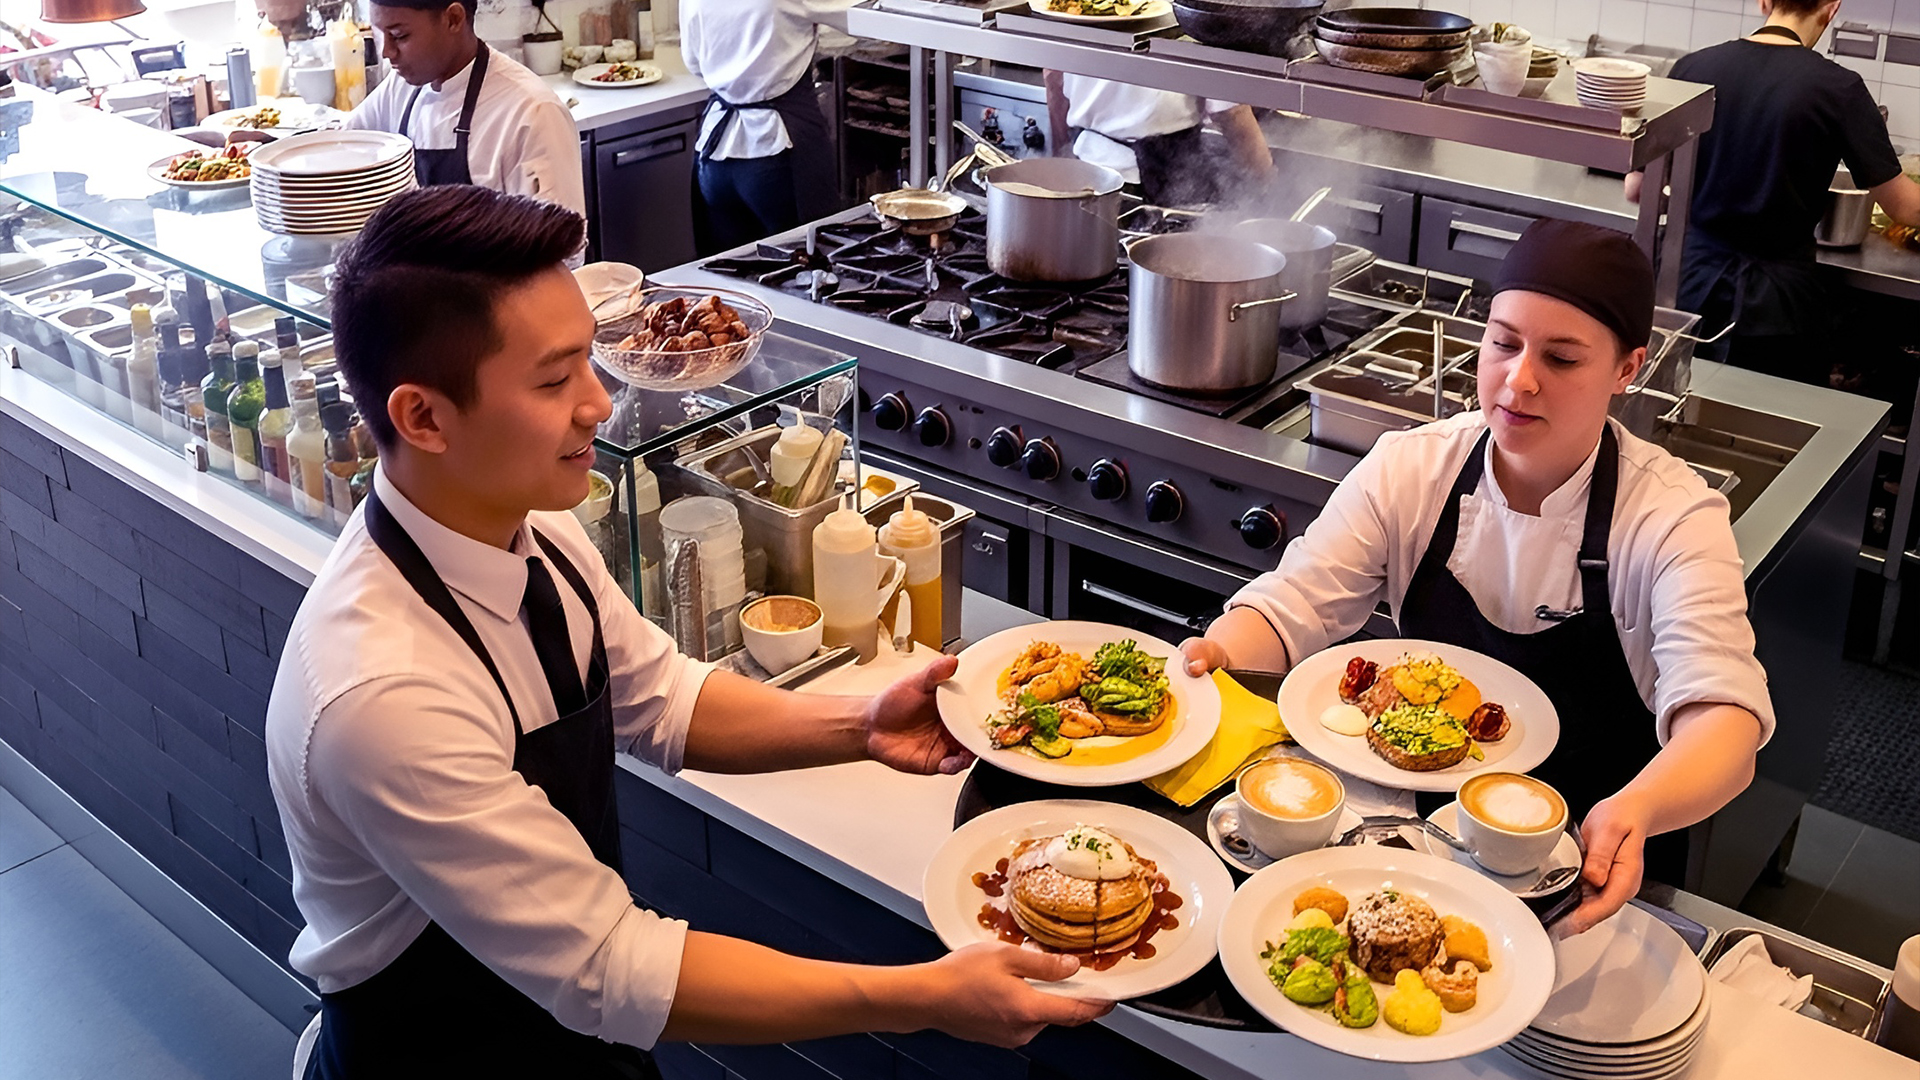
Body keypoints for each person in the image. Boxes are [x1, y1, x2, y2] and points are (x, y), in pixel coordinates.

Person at [266, 186, 1109, 1078]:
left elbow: (659, 697)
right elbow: (608, 965)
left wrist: (861, 725)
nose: (598, 401)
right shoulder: (383, 695)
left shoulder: (530, 525)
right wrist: (920, 997)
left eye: (589, 361)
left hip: (568, 1035)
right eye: (554, 380)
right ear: (422, 417)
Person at [1180, 219, 1774, 935]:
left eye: (1561, 359)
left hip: (1586, 861)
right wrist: (1216, 653)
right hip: (1413, 843)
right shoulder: (1413, 467)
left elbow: (1726, 721)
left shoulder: (1671, 518)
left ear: (1628, 370)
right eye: (1503, 342)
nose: (1518, 381)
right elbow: (1293, 605)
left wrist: (1637, 808)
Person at [1626, 0, 1920, 383]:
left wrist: (1707, 187)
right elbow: (1905, 208)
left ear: (1764, 1)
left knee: (1667, 403)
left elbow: (1638, 189)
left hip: (1683, 284)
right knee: (1760, 427)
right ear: (1831, 9)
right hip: (1775, 308)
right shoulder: (1839, 87)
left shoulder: (1693, 68)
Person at [347, 0, 586, 214]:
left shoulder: (532, 112)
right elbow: (344, 146)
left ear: (454, 19)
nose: (386, 52)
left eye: (399, 36)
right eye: (378, 35)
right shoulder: (399, 88)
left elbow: (562, 252)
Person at [680, 0, 846, 252]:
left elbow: (693, 62)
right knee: (806, 271)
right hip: (774, 155)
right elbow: (862, 13)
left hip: (714, 160)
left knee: (729, 279)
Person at [1044, 73, 1274, 206]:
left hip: (1084, 173)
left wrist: (1061, 160)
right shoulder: (1195, 16)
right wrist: (1265, 180)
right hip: (1157, 185)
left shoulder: (1072, 11)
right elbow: (1230, 113)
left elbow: (1053, 78)